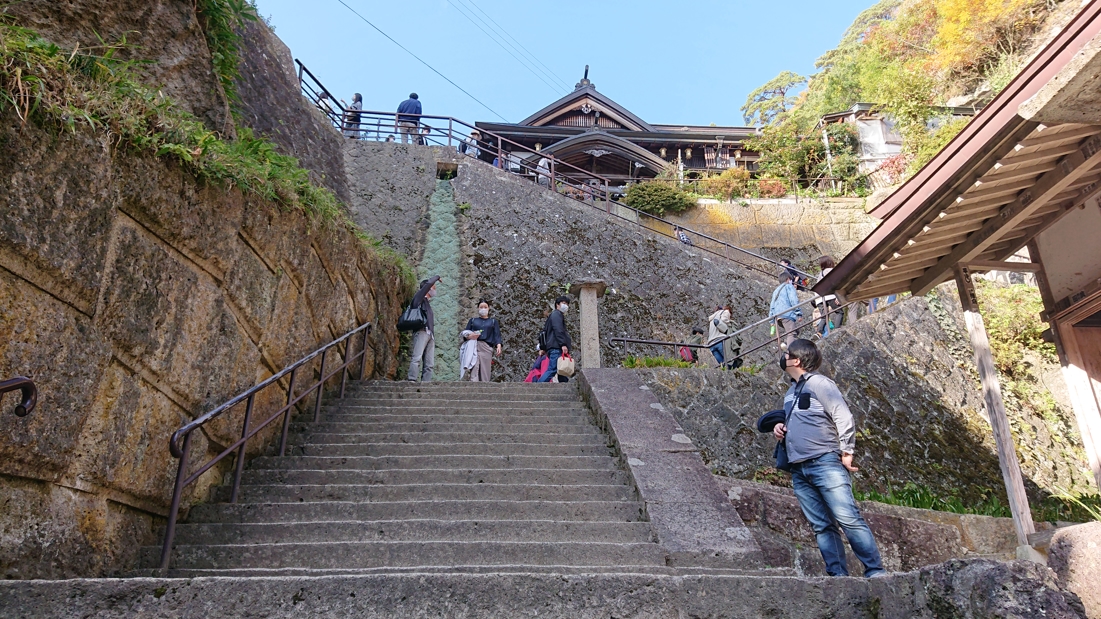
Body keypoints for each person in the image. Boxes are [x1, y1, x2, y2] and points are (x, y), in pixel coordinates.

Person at [772, 339, 885, 578]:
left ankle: (875, 571)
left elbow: (842, 415)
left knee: (848, 518)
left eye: (787, 354)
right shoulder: (791, 392)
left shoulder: (820, 384)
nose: (783, 358)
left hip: (825, 462)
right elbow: (800, 420)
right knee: (821, 526)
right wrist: (781, 427)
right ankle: (837, 576)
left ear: (797, 360)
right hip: (798, 468)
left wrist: (847, 451)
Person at [406, 276, 441, 381]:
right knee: (416, 358)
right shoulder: (418, 299)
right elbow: (428, 284)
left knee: (429, 363)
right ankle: (412, 380)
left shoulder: (427, 304)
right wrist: (436, 278)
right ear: (428, 288)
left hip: (430, 334)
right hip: (421, 332)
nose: (434, 290)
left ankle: (426, 384)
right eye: (433, 287)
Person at [464, 299, 503, 382]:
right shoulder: (473, 321)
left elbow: (497, 334)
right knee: (474, 368)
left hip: (486, 348)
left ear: (489, 308)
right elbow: (465, 333)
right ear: (478, 308)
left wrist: (498, 345)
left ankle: (484, 387)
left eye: (485, 307)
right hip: (474, 346)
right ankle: (474, 387)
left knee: (485, 371)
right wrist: (470, 336)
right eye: (481, 307)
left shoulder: (493, 321)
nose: (483, 309)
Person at [538, 296, 572, 383]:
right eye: (564, 303)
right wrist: (563, 344)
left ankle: (566, 389)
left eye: (567, 304)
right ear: (557, 304)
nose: (566, 306)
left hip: (552, 346)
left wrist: (543, 348)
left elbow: (545, 332)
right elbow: (558, 330)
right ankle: (537, 387)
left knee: (561, 372)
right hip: (556, 347)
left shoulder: (552, 316)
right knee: (552, 369)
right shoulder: (557, 314)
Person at [770, 269, 802, 346]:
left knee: (795, 331)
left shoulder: (776, 291)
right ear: (788, 279)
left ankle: (785, 343)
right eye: (791, 280)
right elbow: (793, 300)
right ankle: (790, 352)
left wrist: (771, 320)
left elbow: (772, 305)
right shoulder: (789, 286)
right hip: (787, 314)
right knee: (792, 334)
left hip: (777, 316)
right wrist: (799, 313)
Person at [812, 255, 840, 339]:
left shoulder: (821, 274)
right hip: (829, 296)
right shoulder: (831, 271)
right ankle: (836, 331)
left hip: (818, 298)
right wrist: (838, 296)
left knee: (825, 316)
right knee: (840, 312)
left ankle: (819, 333)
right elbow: (837, 284)